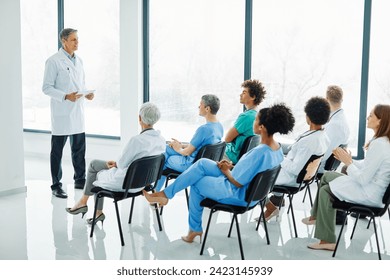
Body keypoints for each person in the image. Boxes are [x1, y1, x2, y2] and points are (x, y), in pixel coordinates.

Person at [143, 103, 295, 243]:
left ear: (261, 127)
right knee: (202, 164)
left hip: (237, 193)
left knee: (196, 183)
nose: (253, 122)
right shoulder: (277, 149)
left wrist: (227, 171)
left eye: (255, 120)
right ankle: (165, 195)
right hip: (254, 194)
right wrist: (230, 167)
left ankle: (193, 229)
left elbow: (237, 181)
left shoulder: (260, 152)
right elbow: (251, 172)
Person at [302, 104, 390, 251]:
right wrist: (349, 159)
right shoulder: (382, 141)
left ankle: (327, 240)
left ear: (380, 121)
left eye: (371, 115)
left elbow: (363, 179)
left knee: (325, 191)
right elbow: (367, 165)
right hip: (371, 188)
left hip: (370, 194)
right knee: (327, 176)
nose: (367, 117)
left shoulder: (380, 145)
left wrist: (348, 163)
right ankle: (316, 216)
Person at [65, 102, 166, 224]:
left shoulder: (137, 141)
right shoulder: (161, 140)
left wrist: (116, 163)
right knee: (96, 165)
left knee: (94, 170)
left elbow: (122, 164)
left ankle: (88, 206)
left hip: (127, 184)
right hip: (144, 183)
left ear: (140, 118)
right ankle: (89, 207)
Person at [43, 28, 94, 199]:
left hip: (77, 112)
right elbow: (47, 88)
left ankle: (80, 179)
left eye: (77, 39)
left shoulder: (79, 61)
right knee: (57, 152)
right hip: (62, 113)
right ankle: (56, 185)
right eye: (73, 40)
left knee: (79, 149)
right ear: (64, 41)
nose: (77, 42)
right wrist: (65, 96)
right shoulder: (53, 61)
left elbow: (81, 84)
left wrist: (87, 93)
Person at [264, 97, 331, 220]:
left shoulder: (309, 142)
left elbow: (295, 169)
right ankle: (275, 201)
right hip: (299, 175)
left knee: (256, 178)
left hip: (292, 178)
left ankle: (271, 206)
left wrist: (280, 157)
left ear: (308, 117)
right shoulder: (323, 136)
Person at [155, 94, 224, 191]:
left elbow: (187, 152)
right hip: (201, 160)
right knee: (166, 148)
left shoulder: (203, 129)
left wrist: (178, 148)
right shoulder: (219, 126)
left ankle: (155, 192)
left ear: (207, 108)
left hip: (190, 163)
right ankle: (155, 192)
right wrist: (180, 145)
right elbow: (200, 145)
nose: (198, 106)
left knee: (165, 160)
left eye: (200, 104)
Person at [224, 79, 267, 164]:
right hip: (242, 157)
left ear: (253, 97)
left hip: (231, 156)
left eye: (244, 92)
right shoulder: (257, 115)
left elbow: (227, 138)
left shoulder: (246, 116)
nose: (240, 95)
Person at [318, 85, 350, 175]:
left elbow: (323, 155)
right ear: (342, 100)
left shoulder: (335, 125)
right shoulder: (339, 119)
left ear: (326, 99)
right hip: (327, 164)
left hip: (320, 166)